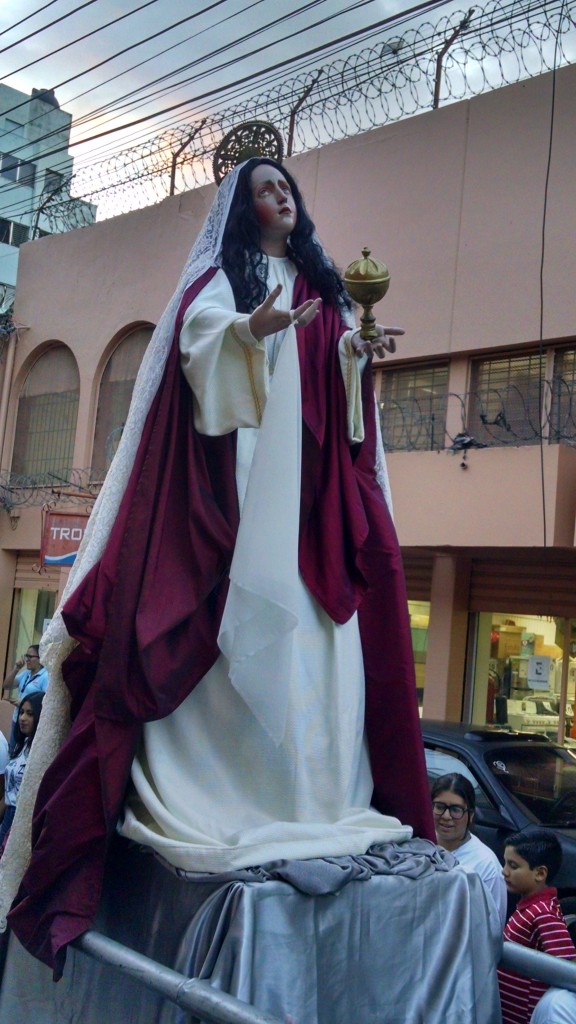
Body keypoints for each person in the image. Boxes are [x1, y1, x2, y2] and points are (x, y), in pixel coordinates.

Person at [1, 157, 434, 974]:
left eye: (287, 189)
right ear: (243, 208)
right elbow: (200, 348)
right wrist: (250, 331)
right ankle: (225, 792)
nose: (281, 198)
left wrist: (356, 353)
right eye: (265, 190)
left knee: (319, 640)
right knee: (230, 632)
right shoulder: (223, 280)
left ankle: (309, 796)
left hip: (306, 493)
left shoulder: (321, 285)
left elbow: (339, 386)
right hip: (233, 484)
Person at [498, 829, 576, 1024]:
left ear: (540, 873)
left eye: (513, 866)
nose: (504, 871)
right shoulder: (530, 906)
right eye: (505, 862)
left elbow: (568, 968)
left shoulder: (543, 913)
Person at [431, 772, 507, 927]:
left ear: (471, 815)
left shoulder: (487, 866)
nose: (446, 816)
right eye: (439, 807)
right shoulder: (420, 844)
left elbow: (493, 927)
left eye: (456, 810)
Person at [0, 692, 44, 853]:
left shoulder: (41, 752)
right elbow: (9, 792)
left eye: (30, 714)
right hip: (8, 816)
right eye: (21, 712)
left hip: (22, 820)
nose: (22, 718)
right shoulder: (22, 745)